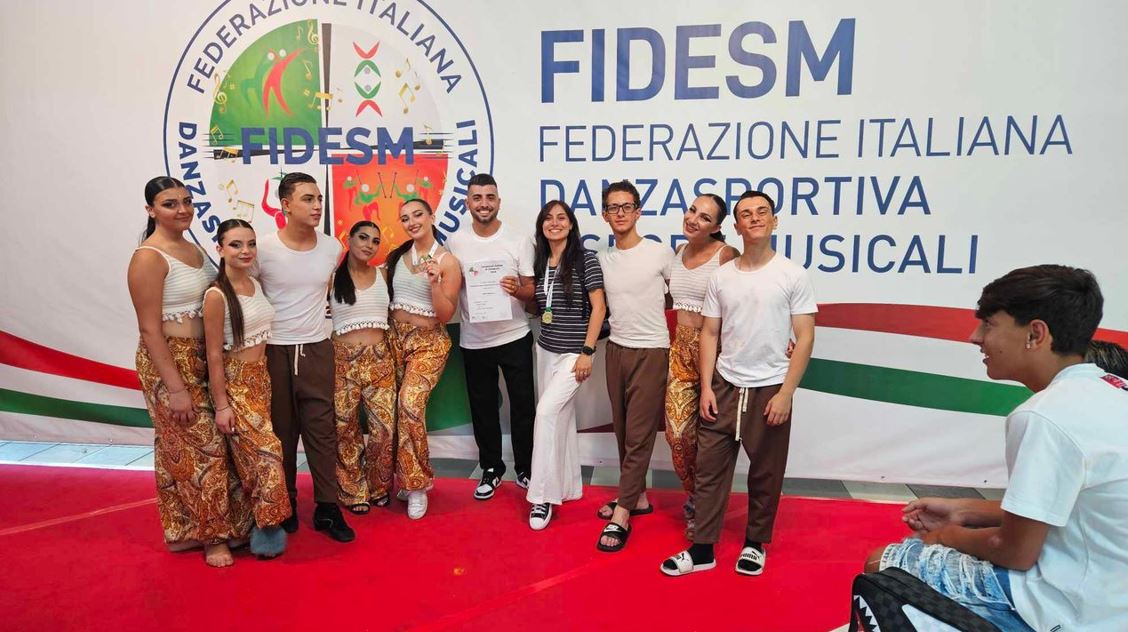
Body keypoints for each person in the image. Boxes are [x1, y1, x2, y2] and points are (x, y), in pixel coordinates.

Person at [865, 265, 1127, 631]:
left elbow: (1015, 551)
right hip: (1112, 593)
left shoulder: (1044, 415)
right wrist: (965, 510)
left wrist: (944, 537)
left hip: (1076, 608)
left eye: (989, 324)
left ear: (1035, 334)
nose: (975, 337)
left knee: (882, 562)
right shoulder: (1113, 388)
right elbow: (1070, 505)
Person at [661, 190, 816, 577]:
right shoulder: (722, 276)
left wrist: (786, 393)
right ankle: (702, 549)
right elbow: (710, 333)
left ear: (774, 221)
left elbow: (805, 336)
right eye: (746, 214)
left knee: (765, 471)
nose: (755, 218)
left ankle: (754, 543)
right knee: (710, 469)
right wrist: (707, 387)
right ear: (736, 226)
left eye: (762, 212)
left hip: (770, 387)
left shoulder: (792, 274)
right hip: (725, 384)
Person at [127, 176, 252, 567]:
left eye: (186, 201)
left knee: (185, 449)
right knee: (202, 449)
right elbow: (149, 329)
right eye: (170, 204)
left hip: (204, 357)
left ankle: (184, 531)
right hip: (169, 363)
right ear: (151, 210)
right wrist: (176, 389)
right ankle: (214, 538)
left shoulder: (194, 248)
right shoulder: (148, 258)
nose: (182, 209)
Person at [256, 172, 354, 543]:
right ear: (286, 205)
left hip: (316, 348)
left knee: (322, 431)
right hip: (273, 349)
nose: (317, 206)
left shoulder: (331, 248)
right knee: (281, 433)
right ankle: (286, 503)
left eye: (319, 199)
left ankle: (328, 507)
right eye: (308, 199)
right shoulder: (263, 249)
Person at [442, 173, 537, 500]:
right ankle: (492, 468)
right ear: (467, 202)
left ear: (498, 201)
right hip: (474, 340)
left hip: (515, 336)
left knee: (523, 407)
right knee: (482, 409)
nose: (484, 203)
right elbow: (450, 286)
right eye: (477, 197)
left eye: (490, 197)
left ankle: (525, 468)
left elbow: (531, 289)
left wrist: (517, 290)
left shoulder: (518, 239)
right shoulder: (455, 241)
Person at [594, 180, 675, 552]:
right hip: (616, 350)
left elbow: (680, 295)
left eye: (627, 206)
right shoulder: (603, 259)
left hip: (652, 351)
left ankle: (623, 512)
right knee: (623, 430)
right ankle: (637, 496)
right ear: (605, 215)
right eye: (613, 207)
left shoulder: (660, 253)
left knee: (639, 434)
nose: (621, 213)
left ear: (638, 211)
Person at [202, 219, 290, 559]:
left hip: (260, 379)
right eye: (236, 244)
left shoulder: (254, 283)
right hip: (236, 384)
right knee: (269, 454)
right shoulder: (216, 295)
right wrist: (222, 404)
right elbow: (213, 355)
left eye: (251, 244)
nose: (245, 251)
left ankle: (246, 525)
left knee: (248, 460)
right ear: (220, 249)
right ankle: (269, 529)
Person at [525, 200, 606, 530]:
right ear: (541, 226)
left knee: (545, 414)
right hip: (545, 350)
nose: (554, 223)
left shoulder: (585, 259)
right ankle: (569, 486)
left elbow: (599, 308)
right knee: (561, 417)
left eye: (561, 218)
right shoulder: (540, 261)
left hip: (575, 354)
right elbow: (540, 305)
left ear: (571, 225)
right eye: (548, 218)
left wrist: (587, 351)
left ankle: (542, 497)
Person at [664, 194, 739, 540]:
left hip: (716, 353)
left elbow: (748, 296)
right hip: (680, 351)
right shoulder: (678, 252)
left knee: (711, 441)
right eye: (692, 210)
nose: (693, 219)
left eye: (705, 217)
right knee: (678, 434)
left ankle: (704, 507)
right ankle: (696, 494)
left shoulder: (726, 256)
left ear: (717, 227)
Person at [386, 198, 462, 519]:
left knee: (410, 404)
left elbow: (445, 314)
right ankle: (402, 476)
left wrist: (434, 283)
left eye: (418, 214)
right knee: (390, 410)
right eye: (405, 218)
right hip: (393, 339)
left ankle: (417, 485)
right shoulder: (397, 257)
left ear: (431, 216)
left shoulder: (447, 261)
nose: (412, 222)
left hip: (428, 343)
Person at [329, 221, 396, 514]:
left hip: (380, 359)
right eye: (363, 238)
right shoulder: (332, 279)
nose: (369, 245)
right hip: (342, 361)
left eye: (375, 241)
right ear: (350, 239)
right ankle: (352, 489)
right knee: (344, 428)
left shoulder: (383, 275)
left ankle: (379, 485)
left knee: (384, 429)